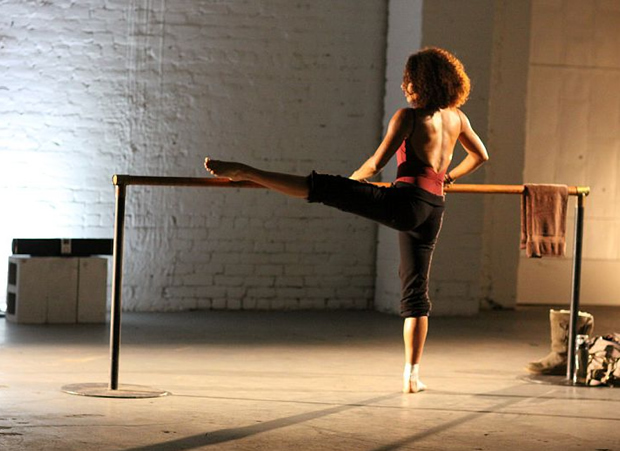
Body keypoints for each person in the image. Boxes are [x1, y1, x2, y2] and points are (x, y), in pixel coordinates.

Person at [204, 47, 489, 394]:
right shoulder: (458, 118)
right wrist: (448, 177)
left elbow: (375, 164)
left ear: (423, 82)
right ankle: (412, 376)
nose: (406, 87)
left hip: (405, 203)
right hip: (433, 209)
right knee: (416, 293)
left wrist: (349, 187)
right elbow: (480, 155)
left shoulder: (408, 118)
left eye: (410, 80)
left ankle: (248, 172)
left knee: (323, 187)